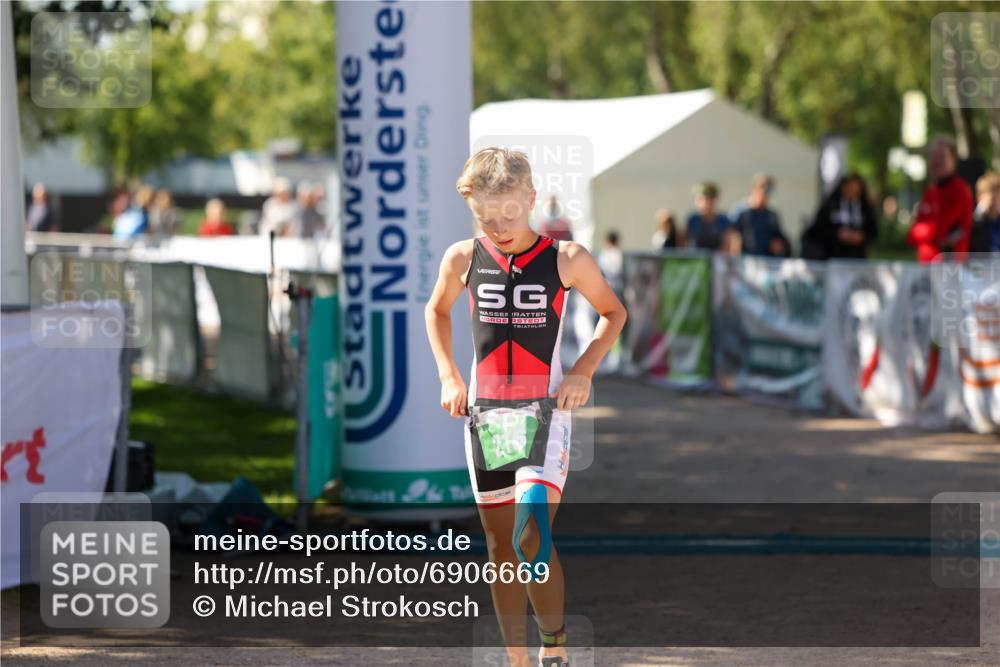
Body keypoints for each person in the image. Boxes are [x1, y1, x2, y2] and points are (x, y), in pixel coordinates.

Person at [425, 147, 626, 667]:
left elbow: (612, 312)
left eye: (509, 214)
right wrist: (449, 373)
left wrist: (582, 371)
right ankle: (516, 660)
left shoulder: (566, 259)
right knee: (499, 550)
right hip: (485, 417)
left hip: (544, 414)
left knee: (530, 529)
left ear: (531, 198)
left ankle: (553, 645)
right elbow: (436, 311)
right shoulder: (463, 258)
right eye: (484, 217)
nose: (498, 226)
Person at [907, 136, 974, 263]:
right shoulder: (931, 191)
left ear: (953, 160)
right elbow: (911, 236)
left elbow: (938, 228)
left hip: (950, 269)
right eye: (933, 156)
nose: (936, 161)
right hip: (927, 268)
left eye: (942, 156)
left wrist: (923, 233)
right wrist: (924, 234)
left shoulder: (960, 190)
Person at [802, 172, 878, 260]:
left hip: (857, 258)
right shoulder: (831, 205)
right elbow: (817, 230)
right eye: (849, 189)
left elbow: (873, 233)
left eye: (856, 191)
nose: (852, 194)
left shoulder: (864, 209)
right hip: (831, 256)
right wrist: (837, 234)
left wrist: (861, 237)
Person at [731, 174, 789, 257]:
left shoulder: (771, 216)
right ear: (754, 188)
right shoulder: (740, 212)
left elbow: (779, 241)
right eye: (764, 188)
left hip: (765, 262)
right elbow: (732, 239)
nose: (766, 194)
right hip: (744, 262)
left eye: (770, 190)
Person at [684, 182, 730, 251]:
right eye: (701, 199)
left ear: (715, 200)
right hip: (697, 258)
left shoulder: (723, 220)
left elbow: (727, 246)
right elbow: (684, 243)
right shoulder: (692, 219)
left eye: (709, 199)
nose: (705, 203)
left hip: (717, 258)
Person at [969, 171, 1000, 253]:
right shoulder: (971, 224)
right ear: (978, 197)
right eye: (988, 193)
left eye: (997, 194)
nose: (993, 198)